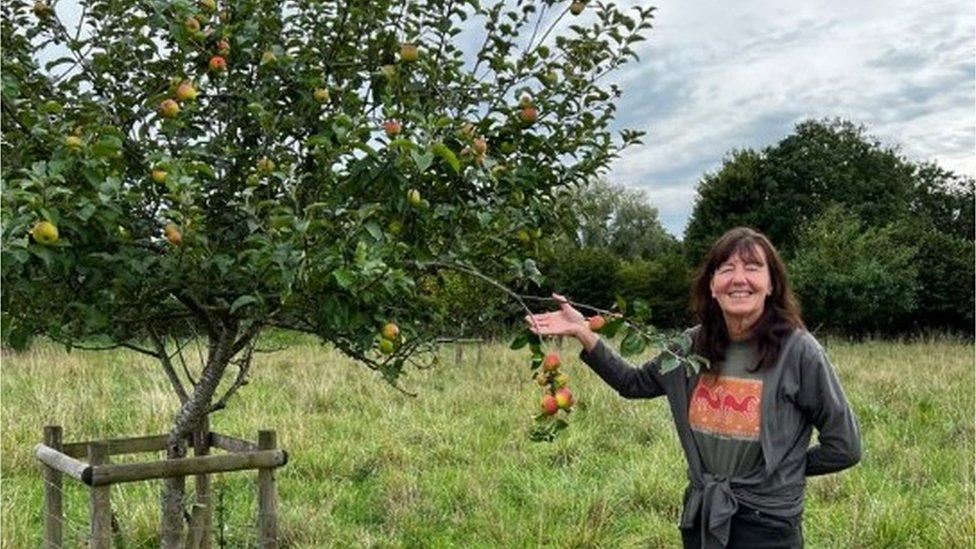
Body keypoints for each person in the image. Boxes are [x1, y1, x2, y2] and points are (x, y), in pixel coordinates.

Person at [525, 227, 861, 549]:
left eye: (753, 268)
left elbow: (844, 446)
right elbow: (633, 383)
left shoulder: (798, 352)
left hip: (769, 522)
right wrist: (584, 333)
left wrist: (780, 472)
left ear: (771, 284)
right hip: (702, 513)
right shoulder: (690, 346)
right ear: (712, 285)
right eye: (726, 268)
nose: (739, 278)